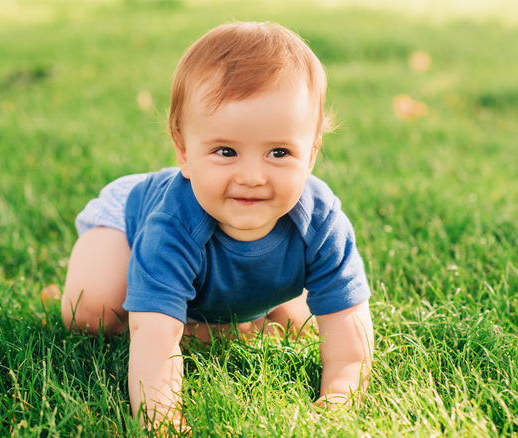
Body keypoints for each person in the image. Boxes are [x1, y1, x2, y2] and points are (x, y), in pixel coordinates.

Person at [61, 21, 374, 430]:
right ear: (184, 150)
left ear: (312, 153)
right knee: (92, 312)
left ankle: (225, 319)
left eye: (279, 152)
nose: (252, 176)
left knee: (302, 324)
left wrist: (338, 401)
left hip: (229, 258)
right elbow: (153, 337)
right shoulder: (171, 225)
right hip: (129, 222)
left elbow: (349, 334)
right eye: (226, 151)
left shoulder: (320, 222)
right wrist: (162, 421)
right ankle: (197, 316)